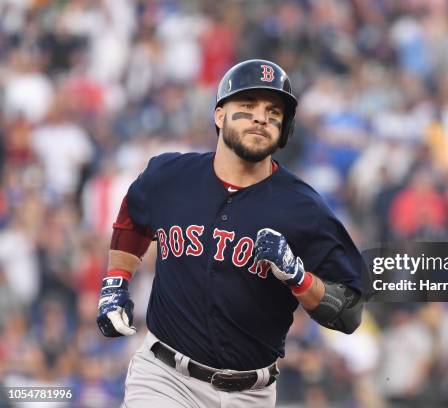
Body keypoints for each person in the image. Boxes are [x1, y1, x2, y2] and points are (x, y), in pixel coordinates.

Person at [96, 59, 365, 407]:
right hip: (164, 378)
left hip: (250, 393)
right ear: (220, 115)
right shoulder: (170, 176)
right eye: (248, 105)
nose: (261, 117)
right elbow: (133, 214)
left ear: (284, 129)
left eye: (273, 111)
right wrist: (116, 280)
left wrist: (299, 278)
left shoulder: (304, 209)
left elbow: (349, 312)